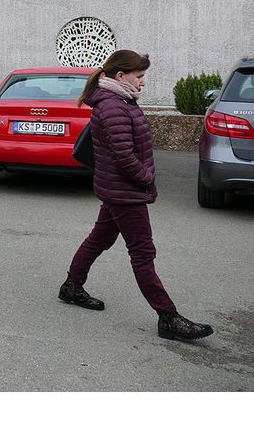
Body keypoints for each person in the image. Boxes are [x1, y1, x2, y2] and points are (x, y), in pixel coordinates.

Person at [59, 49, 214, 341]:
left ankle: (71, 287)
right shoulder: (114, 106)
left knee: (99, 239)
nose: (143, 83)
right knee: (143, 254)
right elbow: (123, 156)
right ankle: (167, 316)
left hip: (116, 188)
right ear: (121, 76)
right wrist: (146, 179)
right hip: (125, 191)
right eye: (139, 76)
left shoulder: (119, 101)